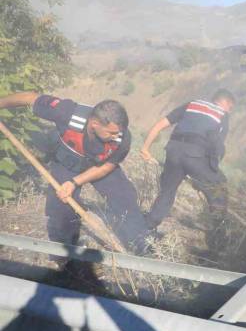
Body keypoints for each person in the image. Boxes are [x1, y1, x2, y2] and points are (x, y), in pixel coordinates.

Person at [0, 92, 150, 256]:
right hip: (67, 161)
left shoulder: (123, 137)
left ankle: (141, 244)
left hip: (98, 165)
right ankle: (64, 252)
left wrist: (75, 182)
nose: (116, 136)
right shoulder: (67, 112)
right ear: (94, 124)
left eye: (118, 132)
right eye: (111, 132)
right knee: (61, 207)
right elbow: (30, 98)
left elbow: (106, 167)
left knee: (125, 197)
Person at [140, 89, 234, 248]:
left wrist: (145, 148)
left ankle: (146, 229)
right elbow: (217, 148)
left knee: (167, 192)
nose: (229, 110)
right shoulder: (222, 115)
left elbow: (160, 124)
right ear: (226, 103)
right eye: (230, 107)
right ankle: (218, 239)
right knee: (220, 187)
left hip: (173, 151)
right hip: (195, 156)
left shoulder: (192, 104)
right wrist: (208, 173)